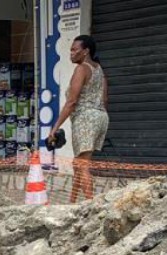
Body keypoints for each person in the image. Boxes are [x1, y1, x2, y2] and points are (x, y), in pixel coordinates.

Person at [48, 35, 108, 203]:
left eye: (75, 50)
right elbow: (105, 99)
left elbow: (71, 102)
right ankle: (72, 202)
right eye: (70, 50)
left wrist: (55, 128)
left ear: (86, 51)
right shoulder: (99, 70)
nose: (71, 53)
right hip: (101, 117)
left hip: (85, 119)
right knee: (79, 163)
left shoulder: (81, 69)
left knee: (83, 165)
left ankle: (92, 205)